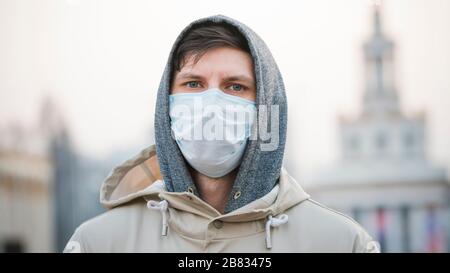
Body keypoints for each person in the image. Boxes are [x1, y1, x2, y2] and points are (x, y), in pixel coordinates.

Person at [64, 15, 379, 253]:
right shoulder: (100, 244)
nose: (211, 104)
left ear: (266, 110)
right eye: (194, 84)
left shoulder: (340, 244)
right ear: (166, 107)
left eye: (235, 86)